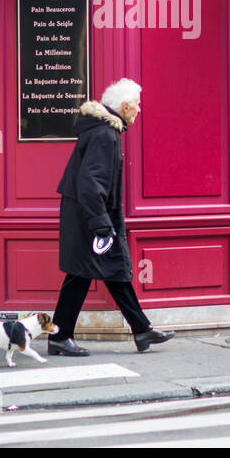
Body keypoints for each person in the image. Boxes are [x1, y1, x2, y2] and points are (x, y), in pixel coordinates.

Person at [49, 78, 174, 356]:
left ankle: (141, 329)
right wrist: (101, 225)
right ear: (126, 106)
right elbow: (91, 182)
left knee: (112, 269)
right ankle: (59, 336)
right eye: (137, 106)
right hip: (91, 217)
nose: (139, 110)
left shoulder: (103, 131)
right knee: (81, 274)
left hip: (90, 213)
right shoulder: (106, 135)